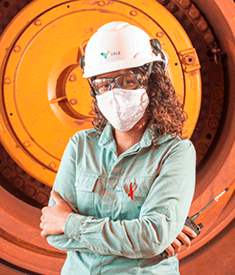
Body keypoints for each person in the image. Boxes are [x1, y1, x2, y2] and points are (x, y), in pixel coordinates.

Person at [40, 21, 197, 274]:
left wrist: (69, 223)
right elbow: (53, 233)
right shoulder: (80, 146)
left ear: (152, 81)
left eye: (127, 81)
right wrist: (143, 241)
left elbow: (151, 238)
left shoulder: (176, 152)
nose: (114, 92)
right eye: (103, 84)